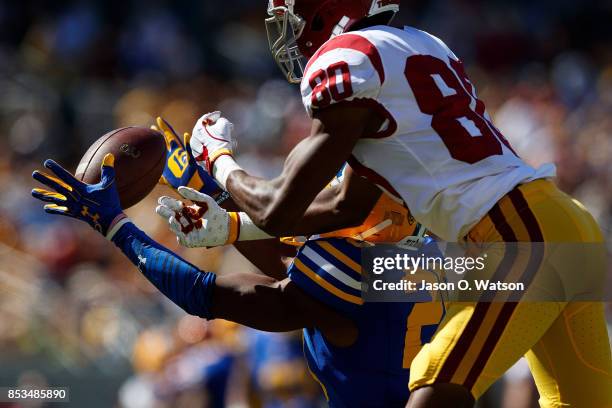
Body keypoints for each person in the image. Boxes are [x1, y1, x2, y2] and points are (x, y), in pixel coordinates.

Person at [175, 1, 612, 407]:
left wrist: (219, 161)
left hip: (516, 238)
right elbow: (346, 207)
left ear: (325, 12)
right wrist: (234, 226)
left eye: (292, 20)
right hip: (564, 223)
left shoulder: (346, 59)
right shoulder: (421, 45)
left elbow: (279, 209)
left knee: (435, 381)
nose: (289, 37)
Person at [31, 118, 444, 407]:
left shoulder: (350, 271)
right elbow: (295, 265)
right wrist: (205, 192)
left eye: (333, 195)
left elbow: (204, 294)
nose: (321, 206)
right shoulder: (433, 260)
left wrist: (114, 225)